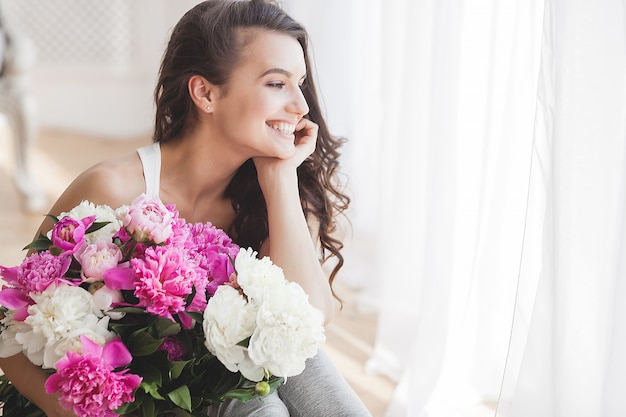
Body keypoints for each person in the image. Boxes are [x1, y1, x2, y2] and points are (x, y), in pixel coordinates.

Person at [0, 1, 372, 416]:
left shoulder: (281, 190)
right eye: (275, 84)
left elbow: (308, 322)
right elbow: (7, 322)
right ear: (206, 93)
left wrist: (280, 180)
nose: (301, 106)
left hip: (221, 386)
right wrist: (65, 408)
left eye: (299, 83)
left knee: (298, 377)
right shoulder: (114, 188)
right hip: (132, 402)